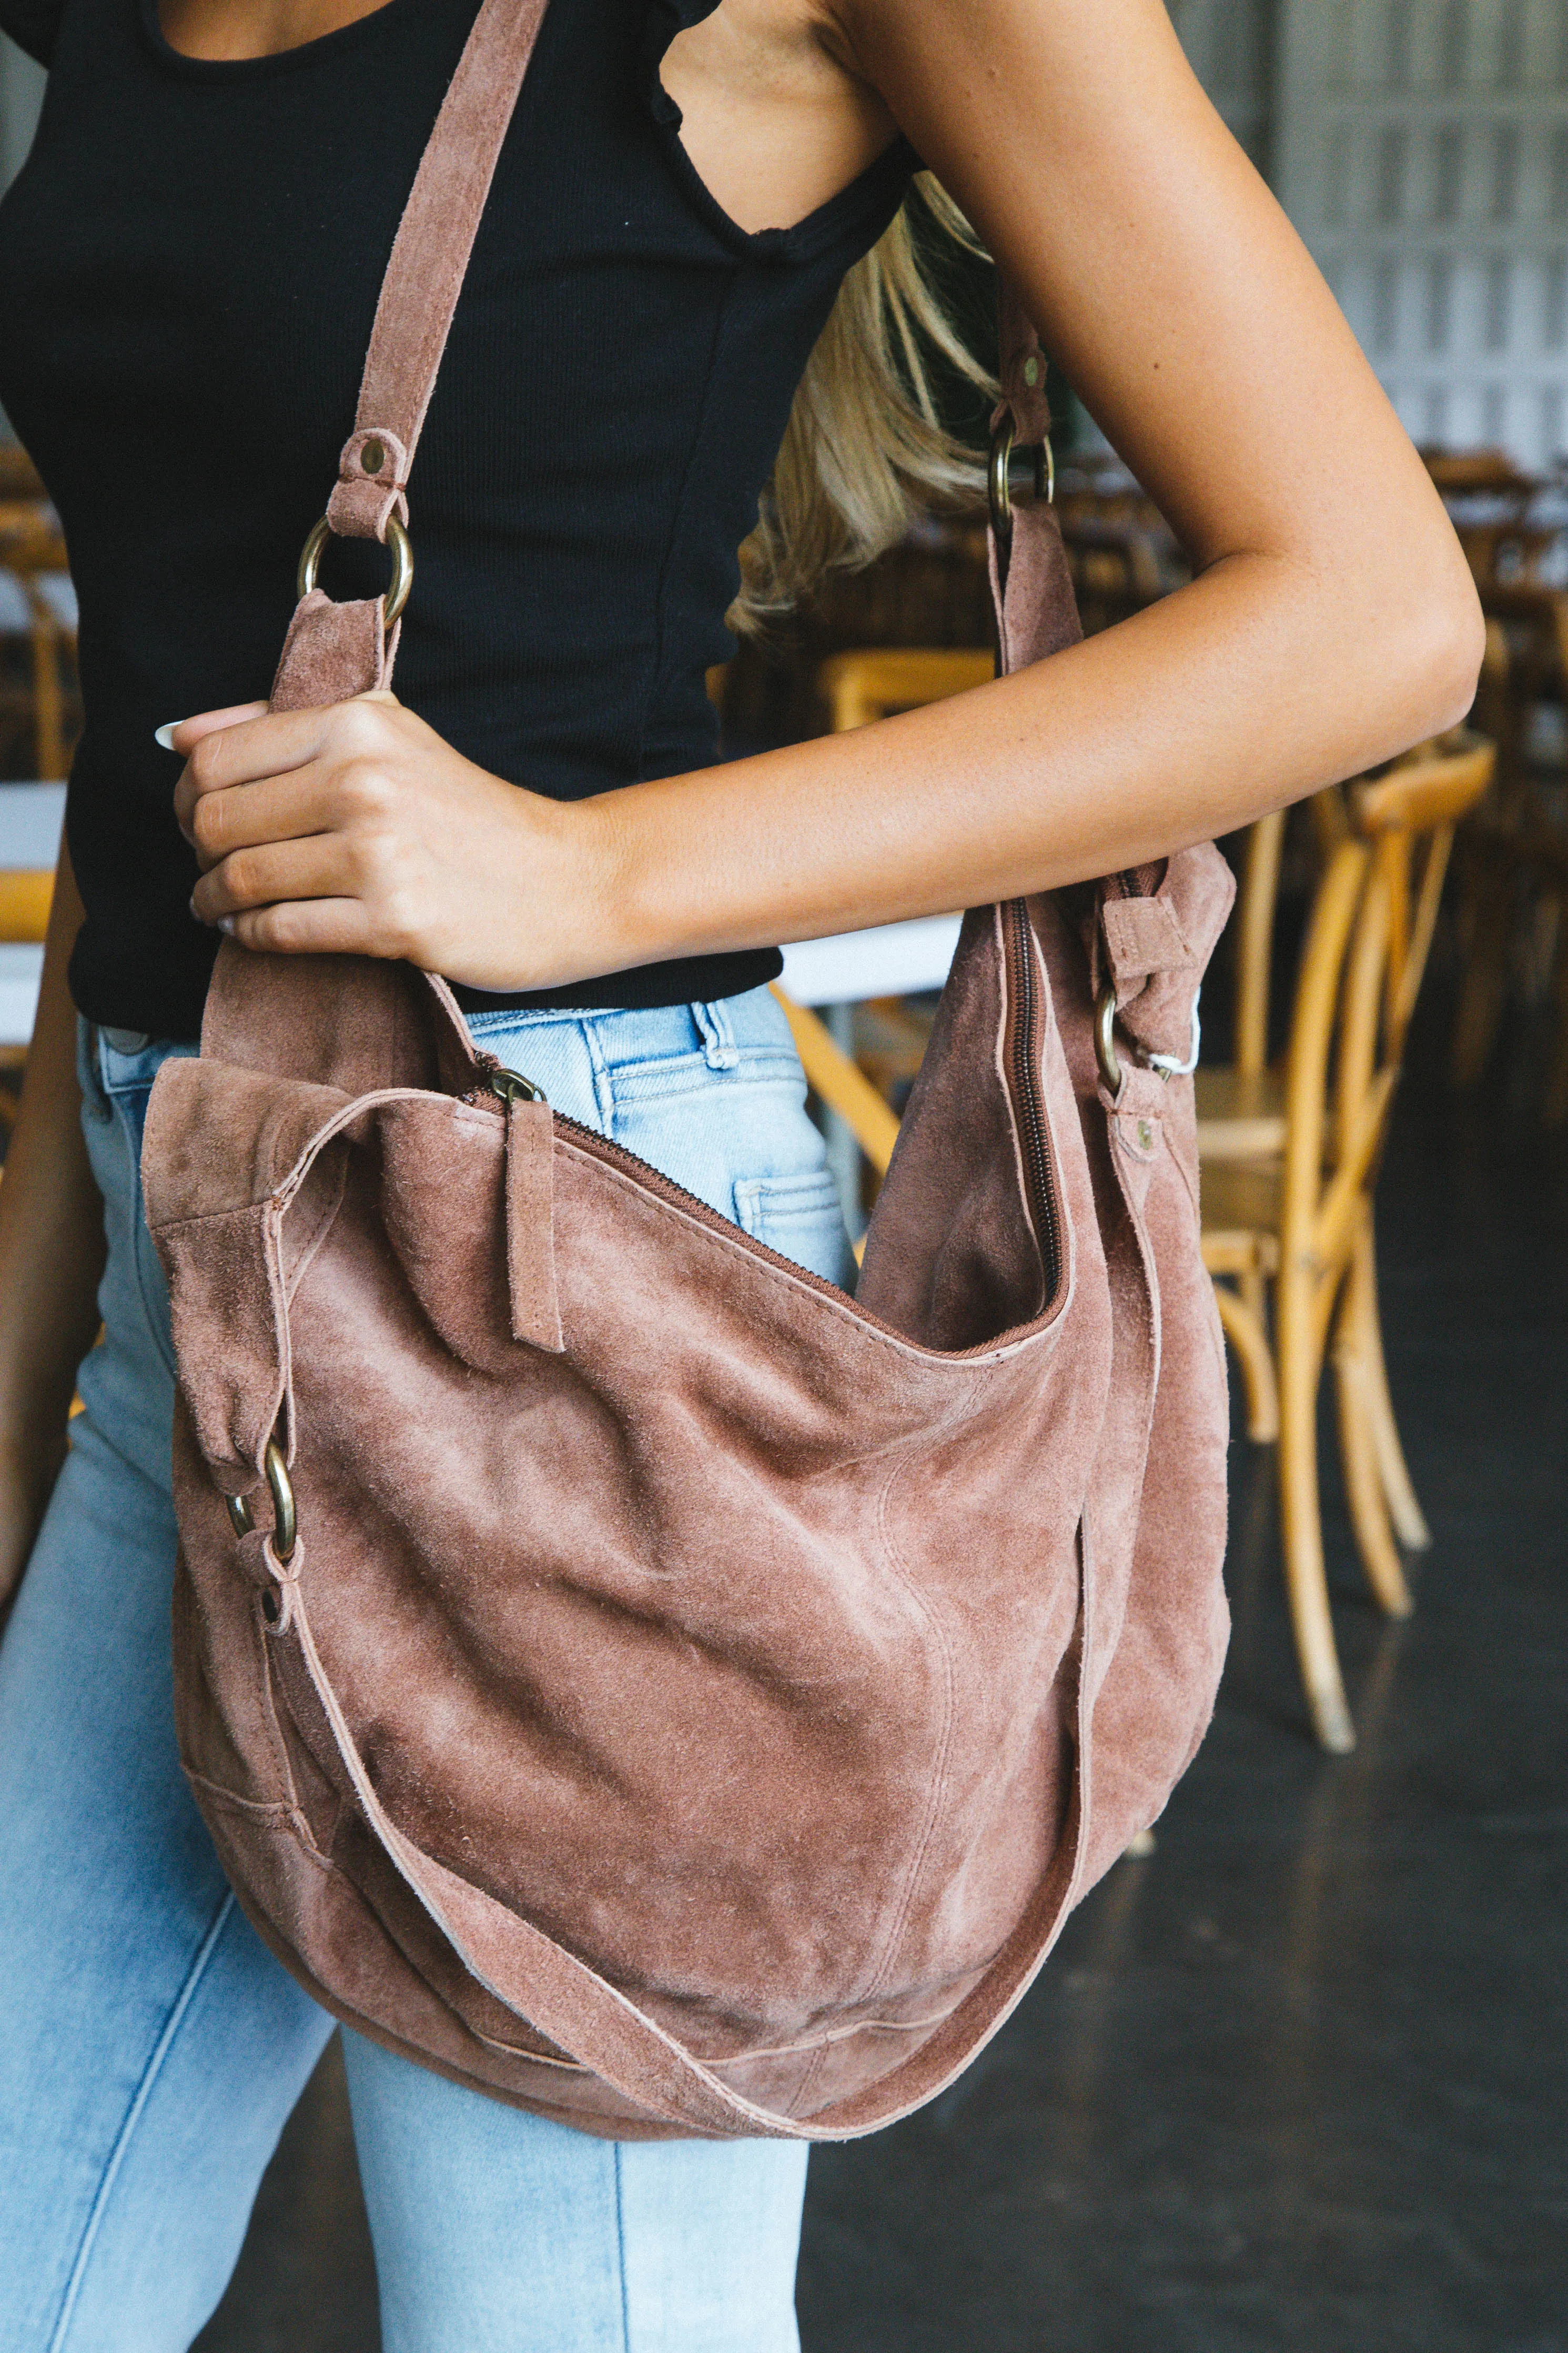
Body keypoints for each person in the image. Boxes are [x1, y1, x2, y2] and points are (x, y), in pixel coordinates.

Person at [0, 0, 1483, 2344]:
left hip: (567, 1306)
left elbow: (1377, 613)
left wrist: (582, 878)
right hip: (173, 1263)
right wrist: (34, 1387)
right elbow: (166, 714)